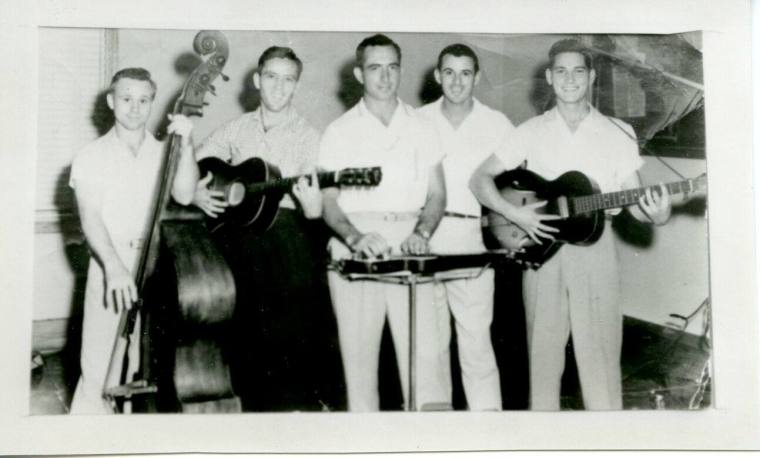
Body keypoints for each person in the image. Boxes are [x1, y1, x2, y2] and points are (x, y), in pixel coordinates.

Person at [469, 38, 672, 410]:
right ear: (549, 77)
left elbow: (636, 202)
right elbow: (480, 179)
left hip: (596, 248)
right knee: (542, 356)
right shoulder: (529, 130)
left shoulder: (619, 131)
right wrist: (515, 213)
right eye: (561, 70)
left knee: (601, 355)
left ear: (591, 77)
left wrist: (657, 214)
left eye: (578, 70)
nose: (570, 79)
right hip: (541, 248)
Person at [186, 46, 343, 412]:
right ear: (257, 80)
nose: (279, 87)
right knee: (242, 338)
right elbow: (197, 165)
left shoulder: (310, 137)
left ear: (296, 86)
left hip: (286, 247)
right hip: (239, 244)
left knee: (288, 341)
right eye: (271, 77)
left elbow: (317, 207)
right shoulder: (236, 129)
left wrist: (313, 206)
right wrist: (195, 193)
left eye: (288, 80)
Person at [318, 34, 450, 411]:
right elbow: (329, 202)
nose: (385, 76)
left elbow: (438, 194)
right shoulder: (339, 131)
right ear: (359, 73)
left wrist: (422, 233)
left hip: (411, 240)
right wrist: (355, 238)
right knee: (359, 364)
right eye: (375, 68)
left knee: (426, 358)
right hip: (358, 245)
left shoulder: (423, 126)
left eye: (392, 67)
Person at [69, 67, 197, 414]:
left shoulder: (162, 152)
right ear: (111, 101)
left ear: (152, 103)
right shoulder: (90, 156)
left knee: (146, 368)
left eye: (143, 100)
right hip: (113, 266)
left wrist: (186, 146)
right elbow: (90, 218)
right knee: (100, 368)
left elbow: (185, 194)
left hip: (156, 266)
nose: (135, 108)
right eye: (126, 99)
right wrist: (113, 267)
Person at [417, 44, 513, 411]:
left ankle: (487, 433)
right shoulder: (417, 119)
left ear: (476, 77)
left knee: (475, 341)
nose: (457, 81)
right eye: (450, 72)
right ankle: (433, 435)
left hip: (474, 237)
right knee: (429, 345)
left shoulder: (497, 123)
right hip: (425, 237)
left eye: (466, 73)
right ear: (437, 75)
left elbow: (517, 182)